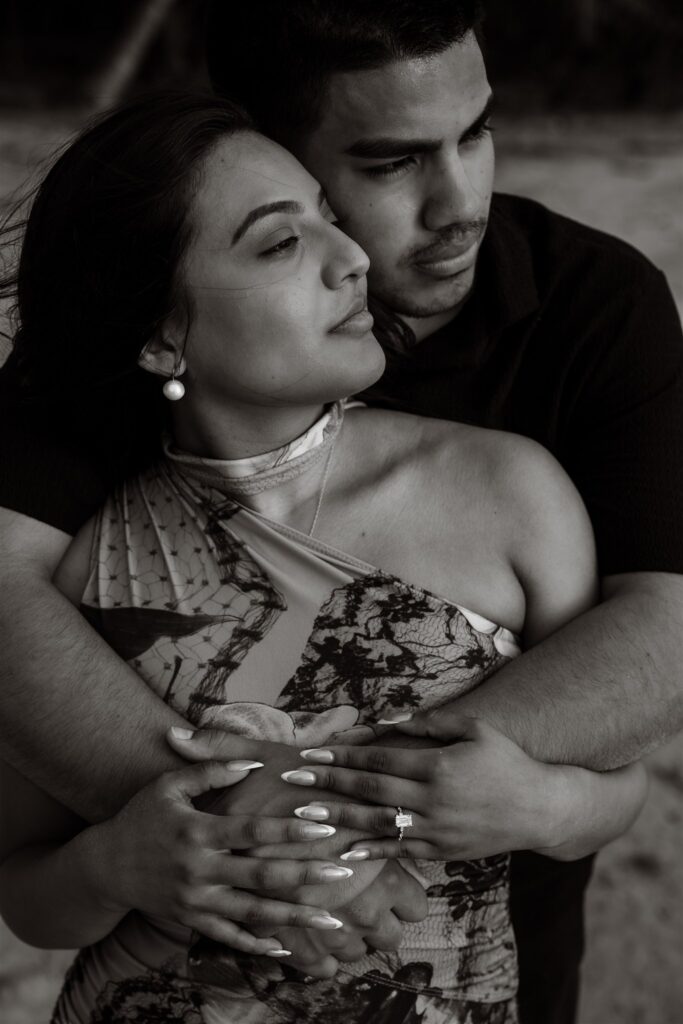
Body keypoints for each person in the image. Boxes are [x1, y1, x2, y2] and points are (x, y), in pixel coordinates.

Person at [0, 2, 681, 1021]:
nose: (460, 203)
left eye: (476, 132)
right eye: (391, 162)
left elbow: (658, 644)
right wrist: (201, 839)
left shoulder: (577, 336)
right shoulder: (116, 441)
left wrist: (342, 813)